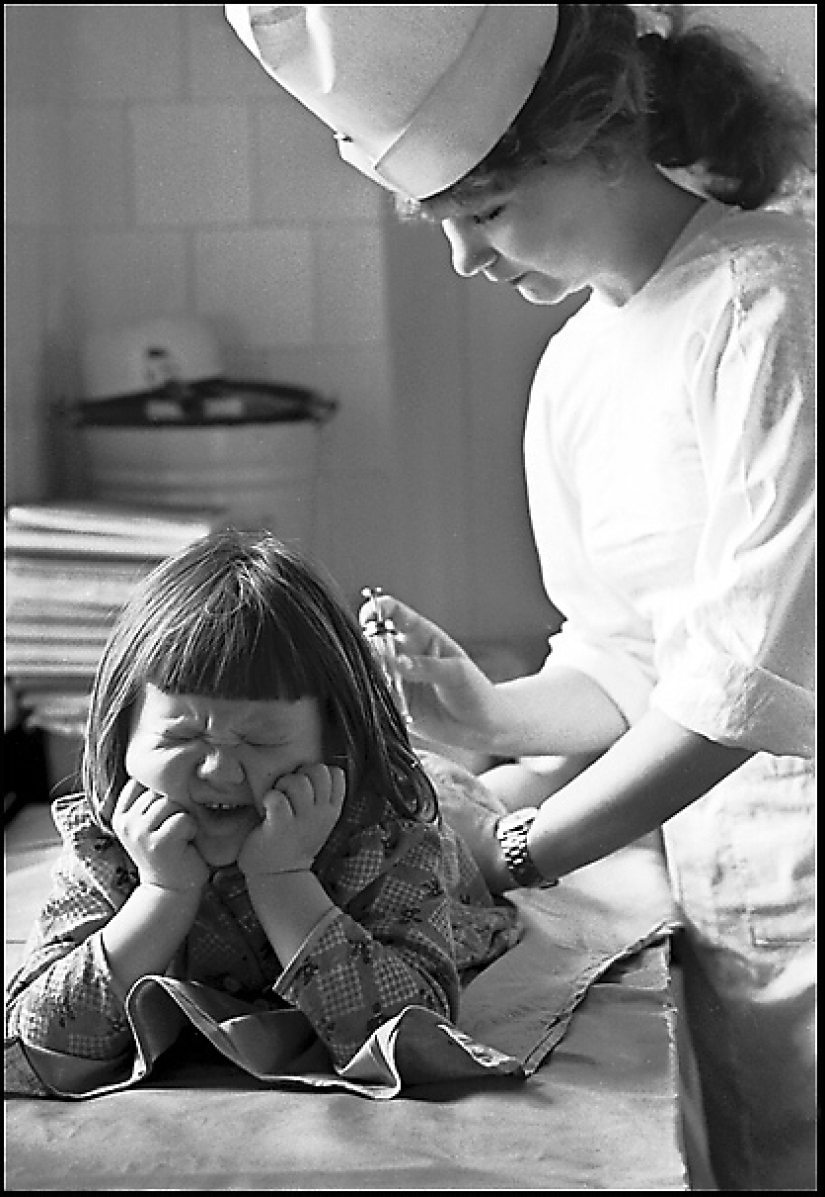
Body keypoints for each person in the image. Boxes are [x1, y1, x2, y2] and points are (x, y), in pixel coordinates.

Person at [225, 4, 816, 1190]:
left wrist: (509, 852)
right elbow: (629, 662)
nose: (468, 260)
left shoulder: (772, 303)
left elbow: (742, 680)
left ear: (598, 131)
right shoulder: (579, 367)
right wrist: (491, 717)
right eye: (443, 223)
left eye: (483, 212)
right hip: (730, 896)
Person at [4, 529, 520, 1098]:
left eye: (264, 739)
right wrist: (161, 896)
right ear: (119, 737)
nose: (220, 772)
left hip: (447, 810)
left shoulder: (388, 834)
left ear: (334, 743)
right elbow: (37, 1032)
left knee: (481, 807)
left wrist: (284, 881)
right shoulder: (106, 843)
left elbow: (417, 1033)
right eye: (181, 737)